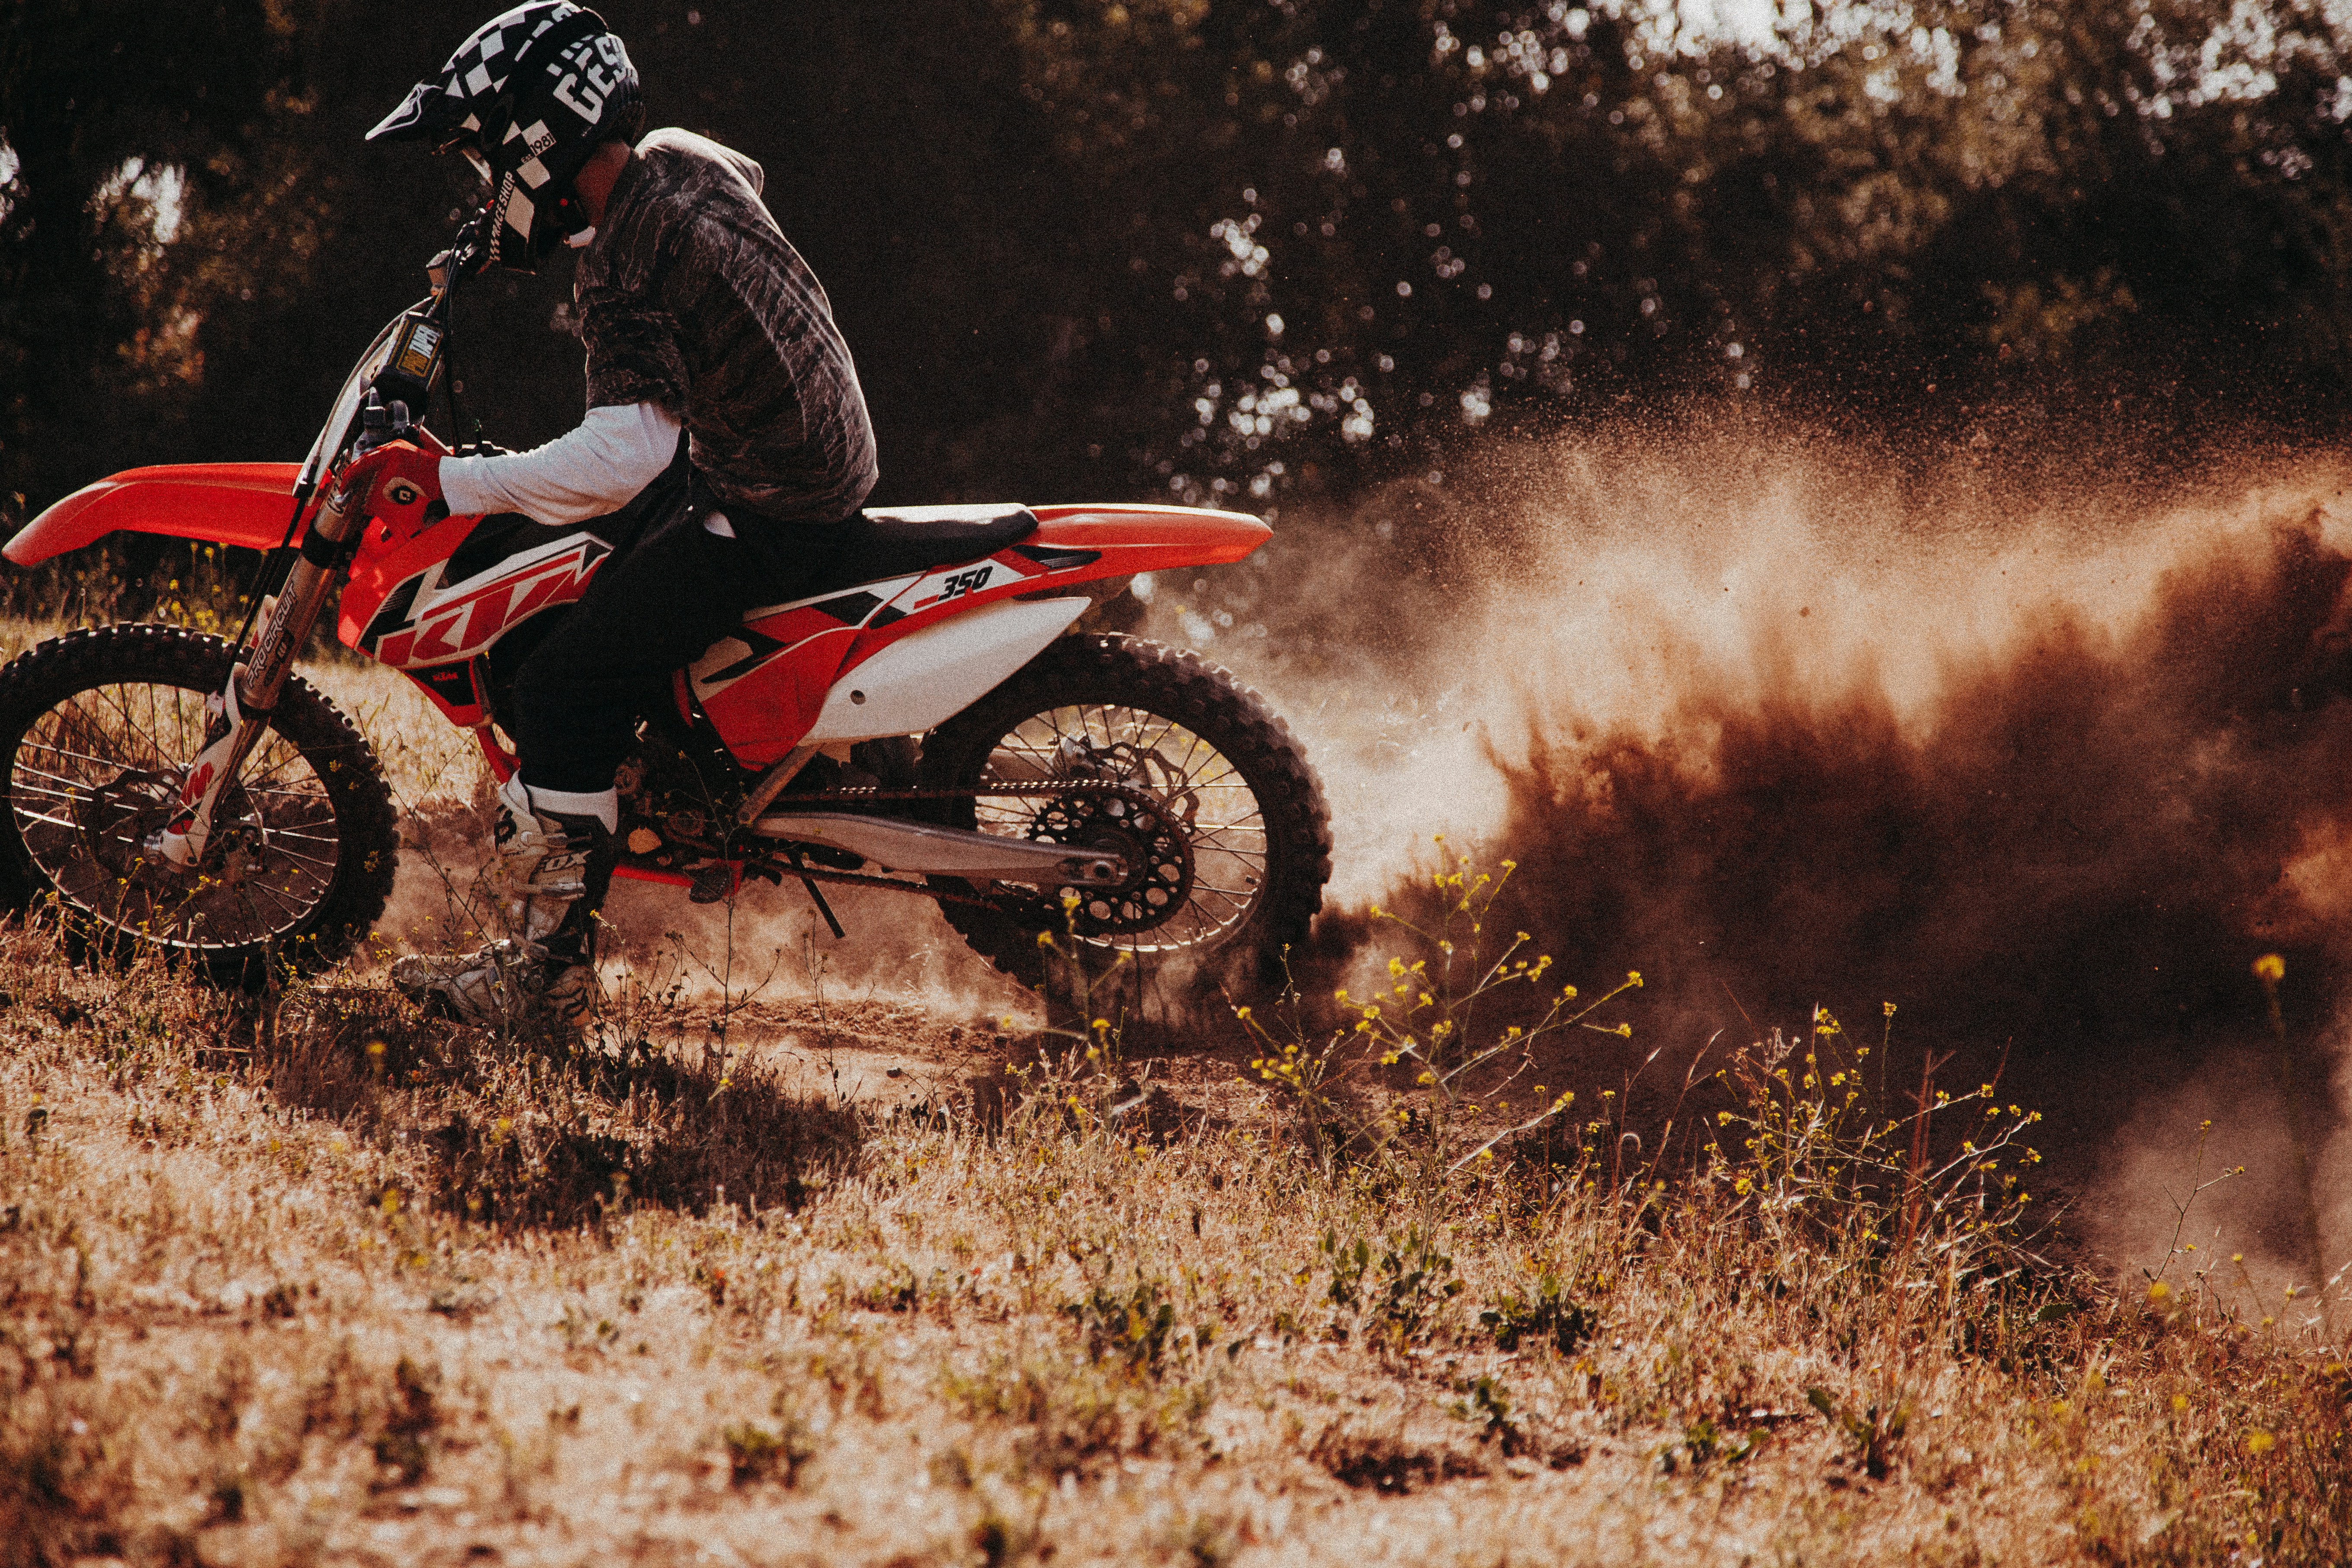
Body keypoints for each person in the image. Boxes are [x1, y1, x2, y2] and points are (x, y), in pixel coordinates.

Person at [341, 2, 879, 1028]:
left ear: (536, 143)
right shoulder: (679, 163)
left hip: (770, 498)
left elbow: (623, 456)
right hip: (790, 454)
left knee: (564, 689)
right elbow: (744, 184)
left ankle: (545, 981)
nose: (482, 184)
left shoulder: (621, 267)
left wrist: (451, 481)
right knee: (592, 573)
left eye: (483, 159)